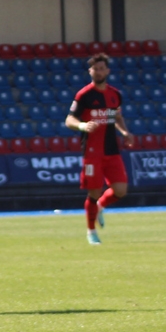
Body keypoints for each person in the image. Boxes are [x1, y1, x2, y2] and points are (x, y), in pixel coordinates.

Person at [65, 53, 135, 245]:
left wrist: (124, 132)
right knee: (93, 193)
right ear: (90, 72)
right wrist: (82, 126)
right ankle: (91, 231)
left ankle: (102, 206)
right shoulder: (84, 95)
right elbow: (69, 119)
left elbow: (117, 116)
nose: (99, 72)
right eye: (95, 69)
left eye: (102, 68)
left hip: (111, 150)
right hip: (92, 152)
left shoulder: (115, 95)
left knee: (120, 190)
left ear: (108, 71)